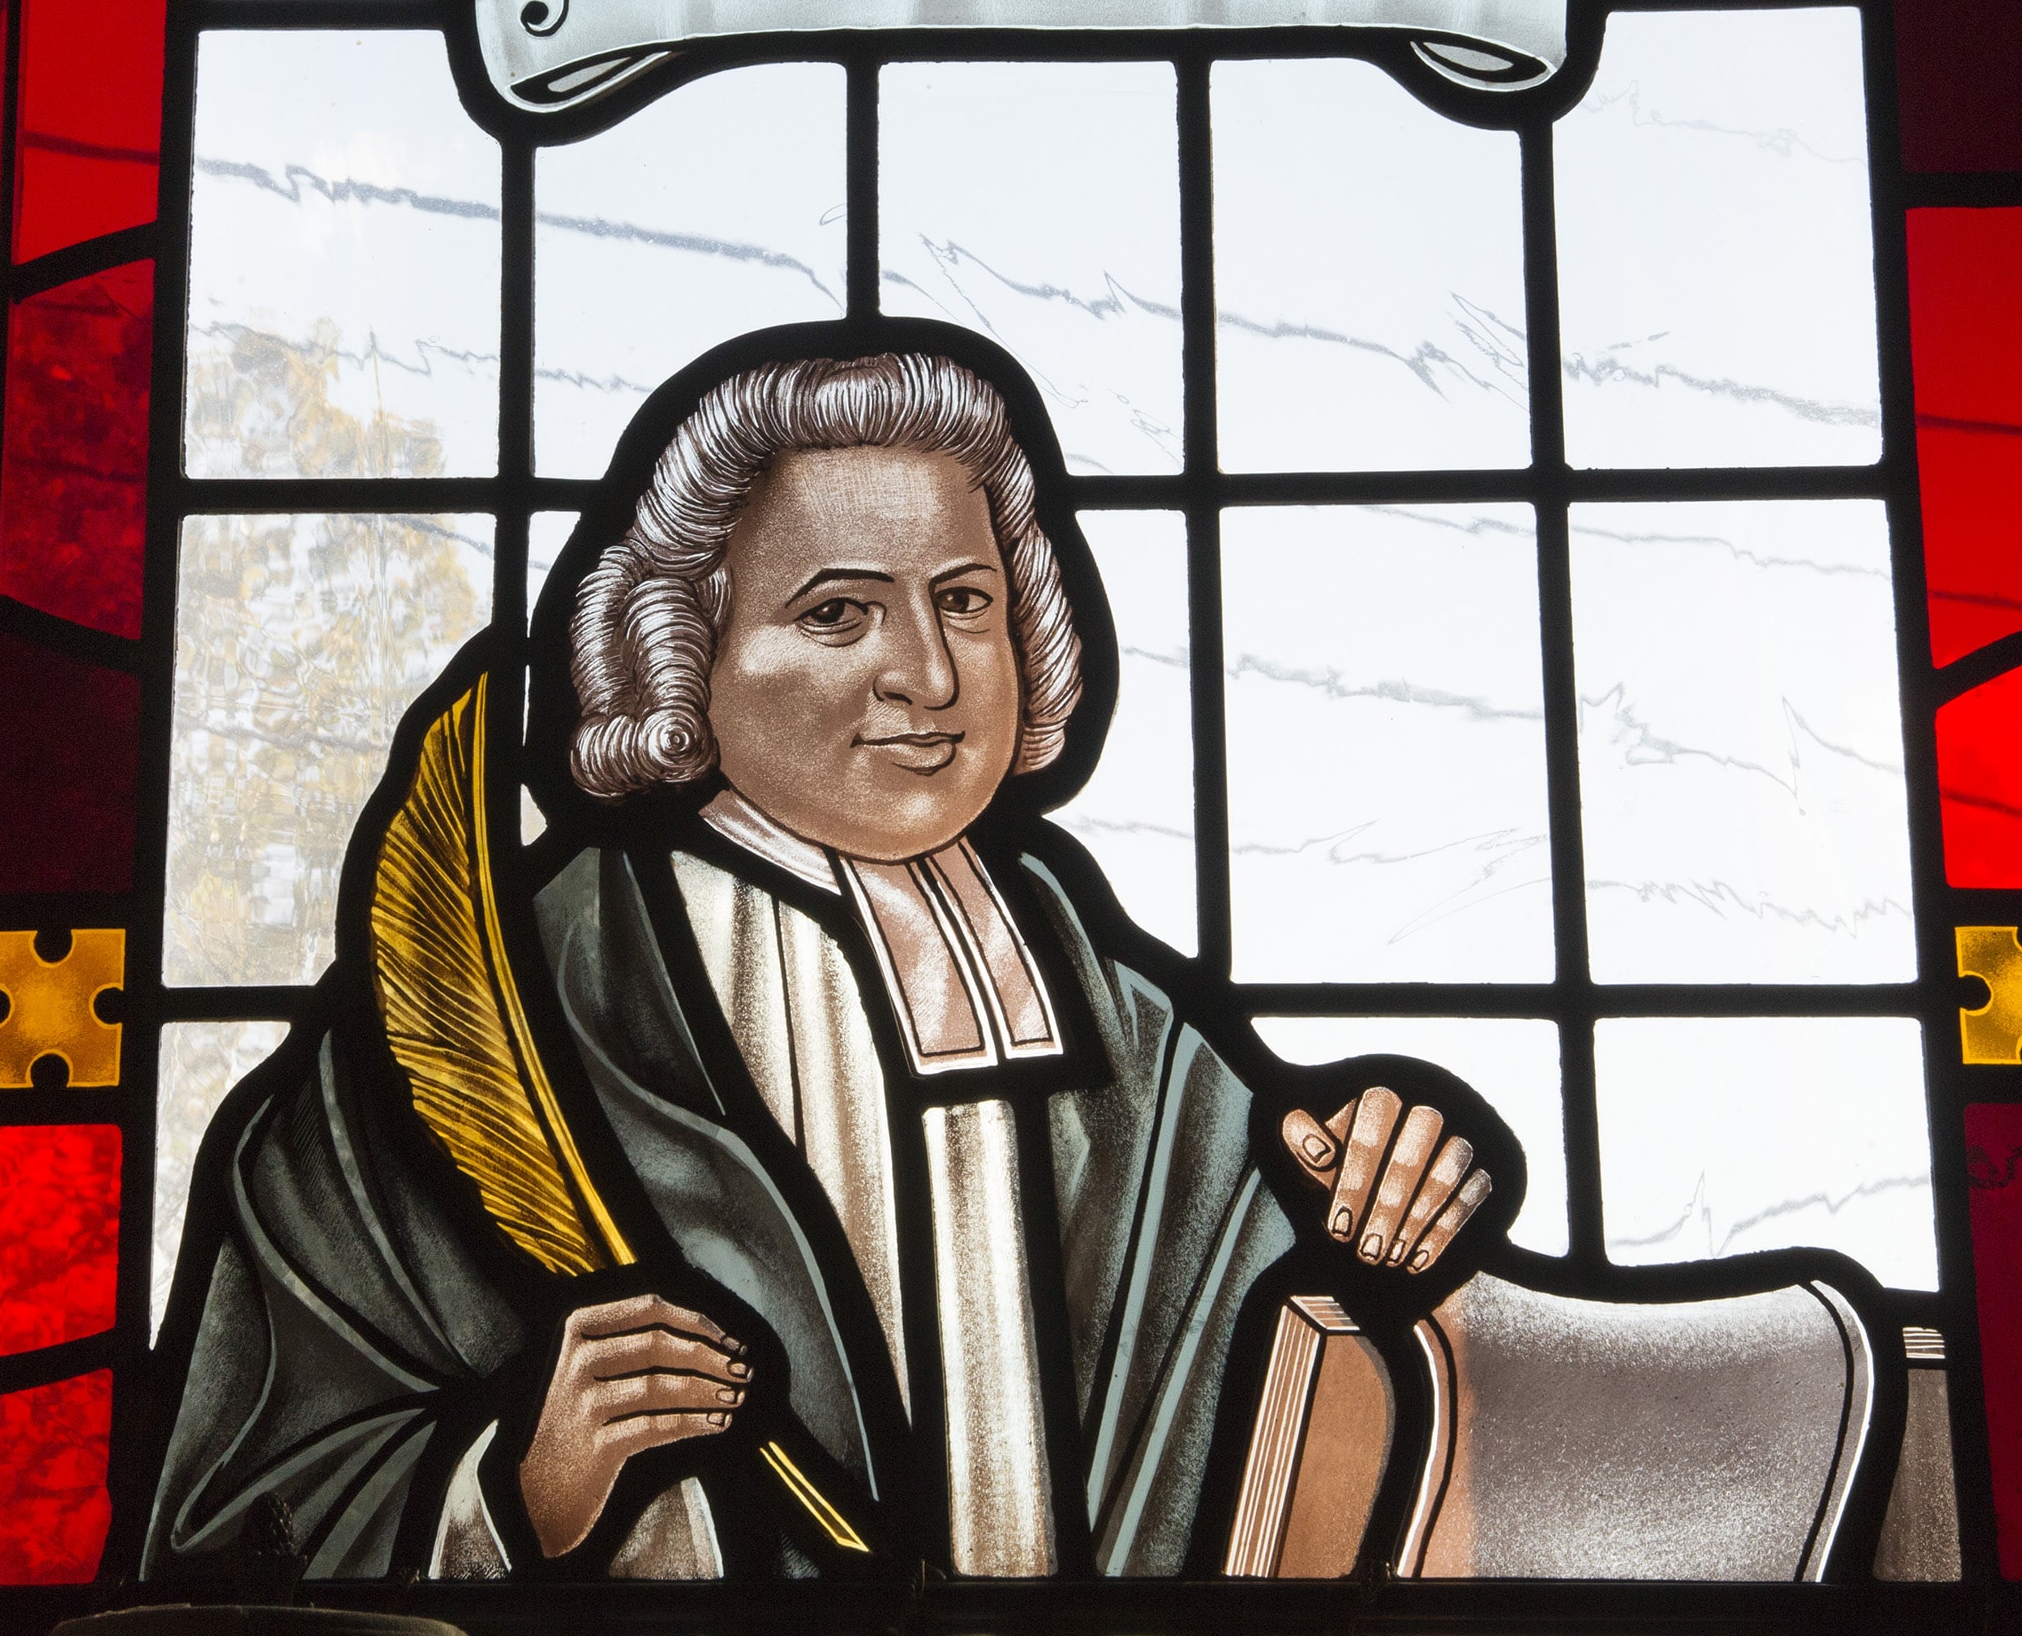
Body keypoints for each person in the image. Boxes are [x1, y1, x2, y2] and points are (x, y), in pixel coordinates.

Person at [141, 333, 1513, 1585]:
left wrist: (1390, 1194)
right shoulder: (505, 1005)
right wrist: (520, 1485)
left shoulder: (1107, 1012)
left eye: (966, 601)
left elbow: (1291, 1305)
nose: (931, 674)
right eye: (841, 614)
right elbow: (234, 1528)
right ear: (684, 651)